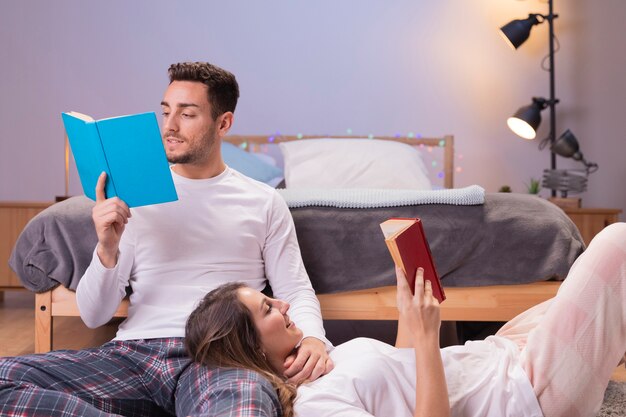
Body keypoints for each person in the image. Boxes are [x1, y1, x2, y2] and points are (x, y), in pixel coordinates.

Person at [0, 61, 333, 416]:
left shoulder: (263, 200)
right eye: (165, 112)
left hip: (220, 356)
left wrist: (314, 337)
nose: (169, 127)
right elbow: (94, 316)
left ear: (223, 123)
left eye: (187, 114)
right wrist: (107, 248)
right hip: (135, 354)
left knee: (244, 408)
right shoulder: (134, 196)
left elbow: (294, 288)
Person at [185, 222, 626, 417]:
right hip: (526, 396)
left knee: (596, 296)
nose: (282, 305)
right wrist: (430, 336)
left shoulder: (316, 365)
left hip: (500, 358)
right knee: (615, 246)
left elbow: (400, 375)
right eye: (266, 310)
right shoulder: (315, 406)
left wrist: (407, 312)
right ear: (250, 347)